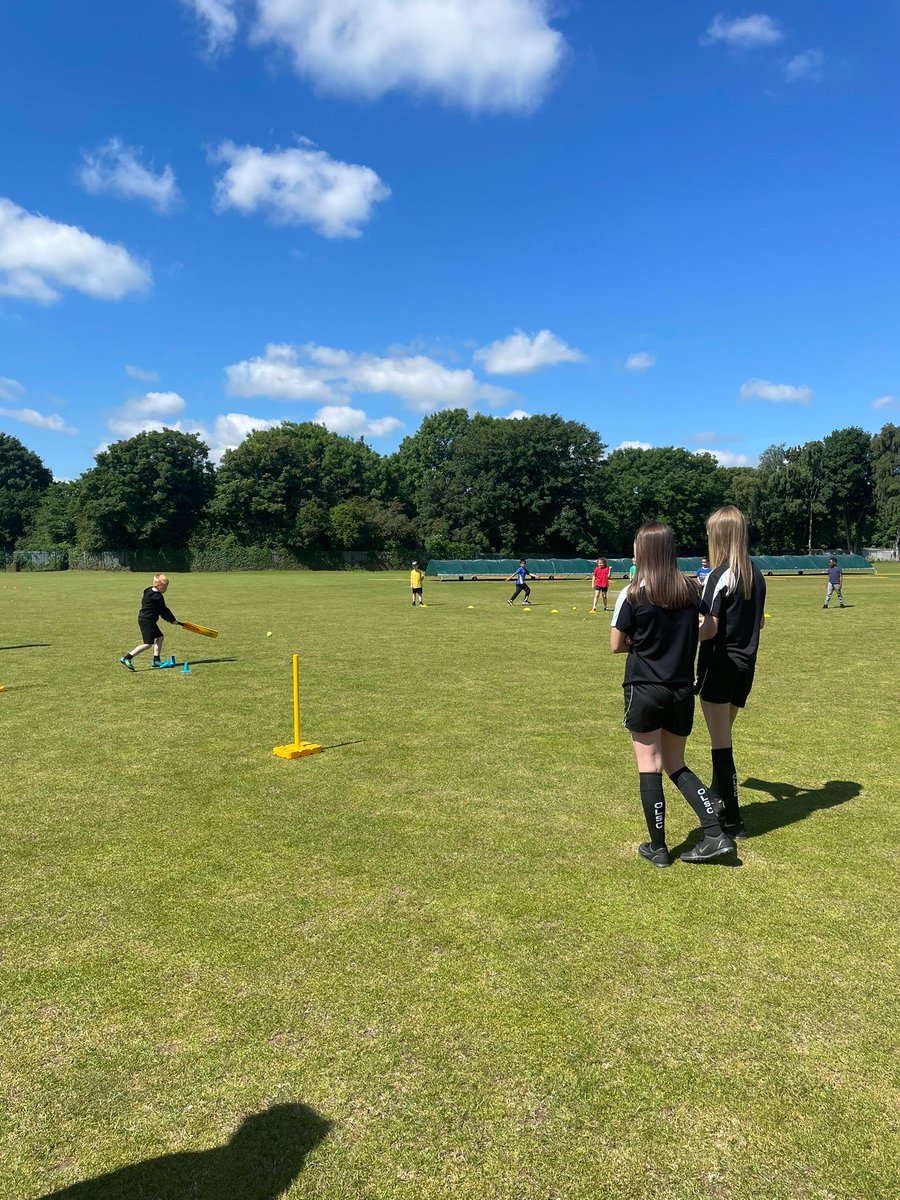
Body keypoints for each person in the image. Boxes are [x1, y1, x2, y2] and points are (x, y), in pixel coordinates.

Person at [611, 523, 735, 866]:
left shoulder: (633, 593)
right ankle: (714, 833)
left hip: (644, 689)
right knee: (676, 763)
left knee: (649, 764)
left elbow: (616, 644)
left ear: (644, 551)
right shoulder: (691, 589)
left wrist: (641, 642)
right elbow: (709, 628)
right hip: (681, 690)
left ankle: (659, 848)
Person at [696, 506, 767, 840]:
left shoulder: (719, 575)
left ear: (719, 536)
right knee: (723, 736)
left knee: (721, 744)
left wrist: (674, 632)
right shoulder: (756, 573)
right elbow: (759, 621)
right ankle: (717, 794)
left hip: (719, 667)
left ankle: (734, 820)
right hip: (746, 667)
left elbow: (708, 629)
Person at [119, 574, 178, 671]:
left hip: (146, 619)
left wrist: (169, 619)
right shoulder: (158, 597)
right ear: (157, 586)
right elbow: (163, 610)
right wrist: (172, 620)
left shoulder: (148, 590)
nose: (166, 589)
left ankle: (156, 660)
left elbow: (161, 611)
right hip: (147, 621)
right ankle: (127, 658)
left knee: (160, 637)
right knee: (147, 644)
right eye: (165, 587)